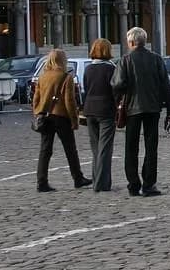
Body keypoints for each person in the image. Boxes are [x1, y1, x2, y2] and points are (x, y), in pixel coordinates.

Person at [111, 26, 170, 197]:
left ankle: (133, 184)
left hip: (132, 108)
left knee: (131, 147)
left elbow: (116, 84)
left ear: (131, 42)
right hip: (153, 108)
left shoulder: (125, 60)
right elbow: (166, 86)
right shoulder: (156, 59)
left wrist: (119, 100)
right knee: (151, 147)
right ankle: (149, 184)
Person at [33, 49, 91, 192]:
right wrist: (74, 120)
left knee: (45, 150)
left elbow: (36, 98)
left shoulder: (42, 77)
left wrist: (37, 112)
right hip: (61, 117)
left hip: (45, 116)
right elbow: (69, 101)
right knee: (70, 149)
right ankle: (78, 178)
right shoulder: (66, 77)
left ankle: (41, 181)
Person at [82, 38, 118, 192]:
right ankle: (102, 183)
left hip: (90, 110)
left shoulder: (88, 69)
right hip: (106, 110)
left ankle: (98, 178)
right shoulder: (111, 69)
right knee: (105, 148)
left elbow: (85, 88)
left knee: (96, 147)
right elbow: (115, 90)